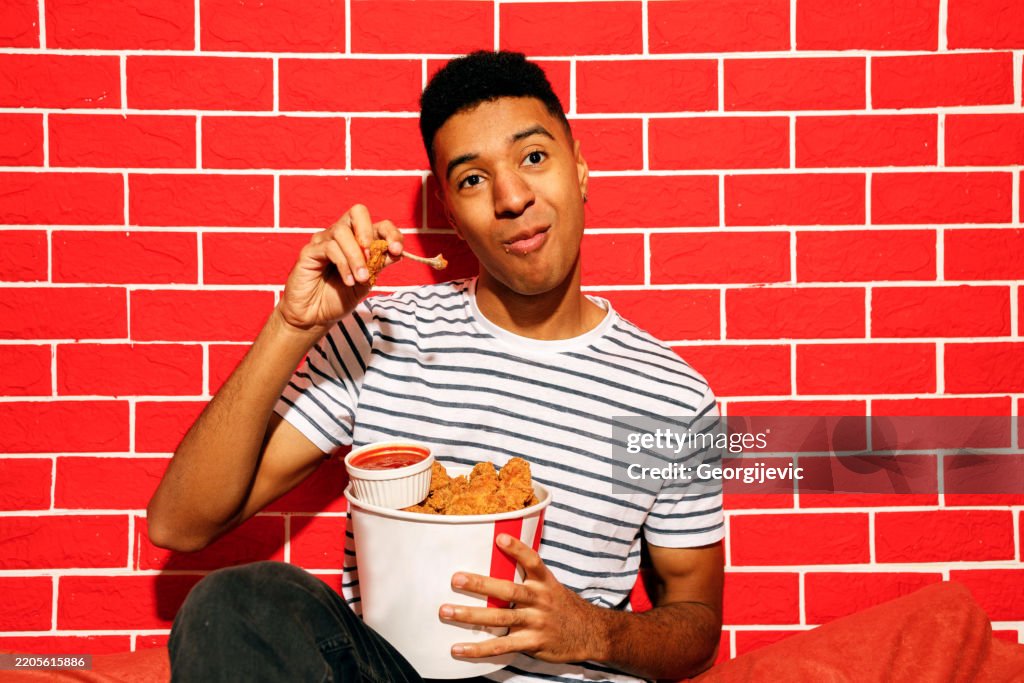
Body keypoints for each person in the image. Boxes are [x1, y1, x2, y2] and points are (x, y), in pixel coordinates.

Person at [147, 50, 724, 683]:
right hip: (391, 672)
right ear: (450, 211)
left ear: (580, 167)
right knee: (238, 600)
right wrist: (292, 327)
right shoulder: (383, 336)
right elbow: (180, 522)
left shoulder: (670, 396)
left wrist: (591, 628)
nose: (511, 196)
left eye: (534, 157)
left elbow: (695, 625)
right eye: (473, 179)